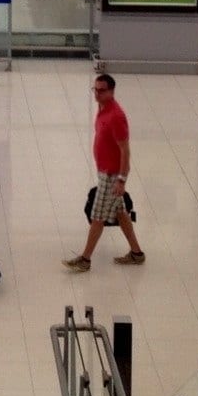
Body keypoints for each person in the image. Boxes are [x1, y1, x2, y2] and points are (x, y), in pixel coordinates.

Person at [64, 73, 144, 271]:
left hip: (112, 176)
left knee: (97, 216)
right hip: (105, 172)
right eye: (95, 90)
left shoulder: (116, 116)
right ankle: (136, 253)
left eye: (102, 91)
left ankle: (85, 259)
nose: (97, 94)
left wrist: (121, 179)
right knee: (120, 213)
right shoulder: (102, 110)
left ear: (112, 91)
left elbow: (125, 150)